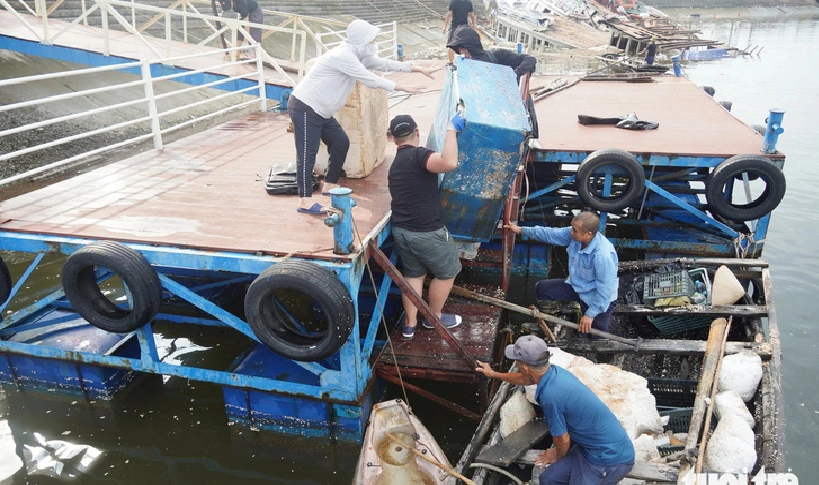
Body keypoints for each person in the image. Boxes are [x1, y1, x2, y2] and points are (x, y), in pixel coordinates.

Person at [288, 19, 437, 215]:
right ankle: (304, 200)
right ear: (362, 41)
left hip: (322, 112)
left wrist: (416, 68)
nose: (374, 44)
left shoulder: (357, 54)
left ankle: (330, 186)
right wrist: (402, 87)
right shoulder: (343, 56)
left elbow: (383, 64)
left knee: (340, 142)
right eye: (372, 40)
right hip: (305, 107)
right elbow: (370, 79)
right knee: (307, 153)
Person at [475, 336, 635, 485]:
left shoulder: (550, 394)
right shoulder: (553, 372)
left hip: (607, 459)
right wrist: (493, 374)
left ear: (524, 366)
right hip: (587, 449)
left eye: (517, 361)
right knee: (548, 478)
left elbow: (562, 439)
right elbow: (526, 379)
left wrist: (557, 454)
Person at [388, 113, 465, 338]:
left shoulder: (397, 163)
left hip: (401, 231)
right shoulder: (417, 155)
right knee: (448, 271)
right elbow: (448, 163)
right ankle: (435, 318)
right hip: (427, 232)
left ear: (394, 139)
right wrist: (451, 130)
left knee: (413, 275)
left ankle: (410, 324)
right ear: (417, 132)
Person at [504, 211, 618, 333]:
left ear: (588, 234)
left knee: (596, 337)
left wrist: (590, 314)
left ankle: (598, 342)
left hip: (596, 297)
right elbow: (550, 234)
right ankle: (547, 324)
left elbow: (605, 290)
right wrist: (521, 230)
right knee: (542, 288)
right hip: (577, 286)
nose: (571, 232)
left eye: (575, 230)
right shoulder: (575, 235)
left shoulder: (602, 256)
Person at [445, 26, 539, 138]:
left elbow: (530, 60)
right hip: (483, 114)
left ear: (472, 46)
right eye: (460, 50)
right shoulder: (464, 69)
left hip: (506, 110)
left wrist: (515, 74)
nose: (462, 53)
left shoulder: (497, 56)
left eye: (464, 49)